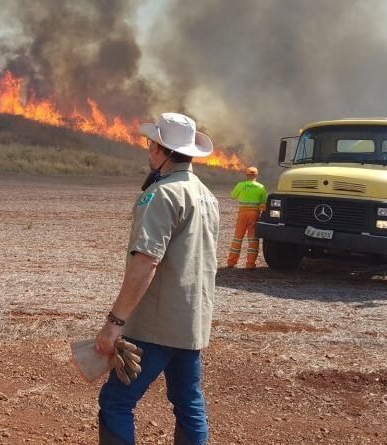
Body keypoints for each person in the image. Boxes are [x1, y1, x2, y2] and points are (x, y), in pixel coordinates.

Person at [95, 112, 219, 445]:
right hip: (191, 323)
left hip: (155, 325)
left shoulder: (162, 195)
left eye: (152, 144)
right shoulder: (207, 195)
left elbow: (146, 262)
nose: (149, 149)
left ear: (161, 151)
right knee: (188, 404)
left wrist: (114, 321)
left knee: (116, 401)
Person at [226, 166, 267, 269]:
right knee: (253, 239)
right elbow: (263, 205)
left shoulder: (241, 185)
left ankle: (231, 262)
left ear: (247, 175)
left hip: (242, 214)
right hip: (254, 215)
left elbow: (233, 196)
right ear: (256, 175)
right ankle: (250, 264)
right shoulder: (261, 187)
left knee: (237, 238)